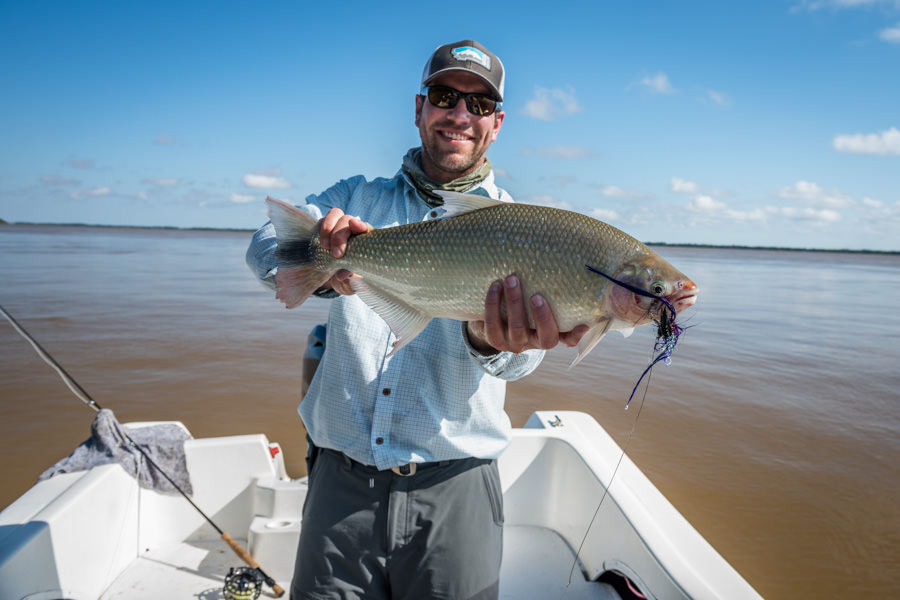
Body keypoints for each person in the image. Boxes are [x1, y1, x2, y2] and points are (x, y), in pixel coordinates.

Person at [247, 40, 587, 600]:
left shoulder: (522, 225)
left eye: (478, 106)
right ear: (419, 107)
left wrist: (488, 339)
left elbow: (520, 364)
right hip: (340, 484)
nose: (459, 115)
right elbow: (265, 251)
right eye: (445, 96)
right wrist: (330, 266)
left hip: (456, 485)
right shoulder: (356, 198)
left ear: (496, 124)